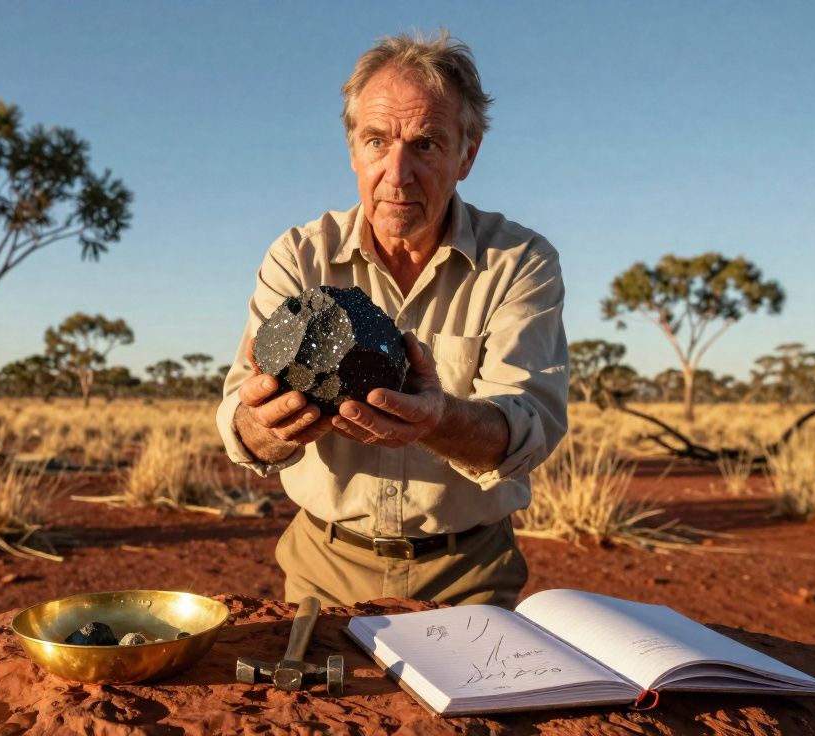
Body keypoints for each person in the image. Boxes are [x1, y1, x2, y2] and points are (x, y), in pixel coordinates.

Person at [215, 30, 568, 609]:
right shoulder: (299, 256)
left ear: (467, 155)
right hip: (324, 568)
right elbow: (238, 422)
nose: (398, 173)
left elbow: (529, 430)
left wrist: (436, 419)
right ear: (353, 150)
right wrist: (269, 426)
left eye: (426, 144)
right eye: (377, 141)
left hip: (470, 574)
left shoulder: (518, 261)